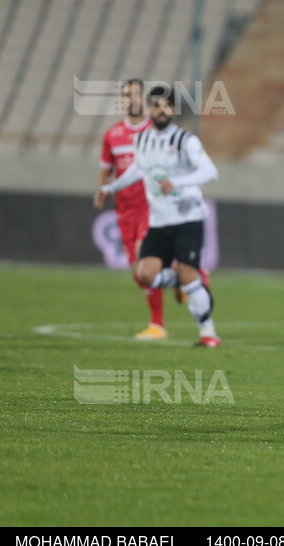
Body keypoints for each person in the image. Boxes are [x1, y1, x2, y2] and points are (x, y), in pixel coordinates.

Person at [95, 85, 220, 347]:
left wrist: (179, 181)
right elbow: (137, 171)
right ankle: (190, 278)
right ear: (150, 108)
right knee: (144, 273)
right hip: (160, 221)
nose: (161, 111)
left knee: (186, 275)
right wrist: (110, 187)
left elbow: (210, 172)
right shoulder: (142, 140)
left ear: (174, 110)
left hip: (187, 218)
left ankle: (208, 333)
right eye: (156, 105)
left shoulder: (186, 140)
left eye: (167, 106)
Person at [94, 79, 168, 340]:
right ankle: (181, 276)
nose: (131, 100)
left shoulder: (156, 129)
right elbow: (106, 168)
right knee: (138, 273)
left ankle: (157, 325)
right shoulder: (112, 135)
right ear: (122, 101)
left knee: (144, 259)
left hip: (150, 206)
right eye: (127, 95)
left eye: (136, 95)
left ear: (143, 99)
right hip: (124, 210)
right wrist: (102, 189)